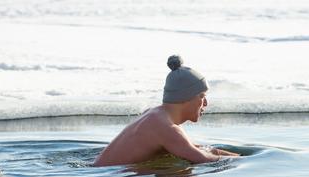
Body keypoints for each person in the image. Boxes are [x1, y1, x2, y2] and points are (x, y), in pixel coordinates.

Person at [93, 55, 239, 167]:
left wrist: (240, 156)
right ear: (185, 97)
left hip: (101, 171)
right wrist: (246, 163)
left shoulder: (155, 115)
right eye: (201, 96)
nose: (206, 103)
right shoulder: (166, 128)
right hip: (103, 176)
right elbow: (202, 159)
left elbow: (197, 149)